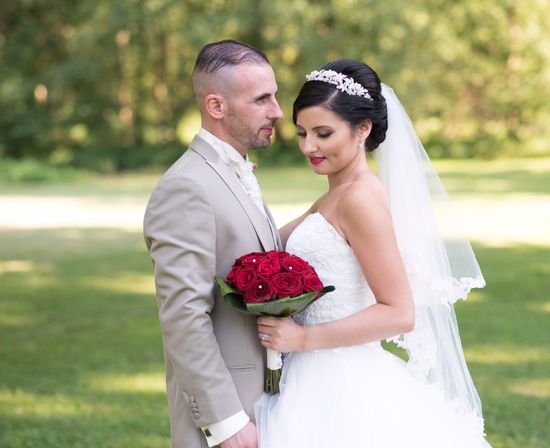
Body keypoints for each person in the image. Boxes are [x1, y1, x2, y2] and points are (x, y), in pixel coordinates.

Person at [254, 60, 492, 447]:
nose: (308, 146)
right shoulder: (336, 194)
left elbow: (399, 312)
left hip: (338, 381)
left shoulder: (359, 198)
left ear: (362, 129)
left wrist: (302, 339)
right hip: (312, 374)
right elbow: (270, 248)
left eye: (323, 133)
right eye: (301, 133)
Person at [143, 40, 283, 448]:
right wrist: (225, 423)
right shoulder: (186, 186)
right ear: (216, 106)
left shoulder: (233, 171)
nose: (276, 110)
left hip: (266, 401)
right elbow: (183, 316)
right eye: (262, 99)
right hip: (230, 416)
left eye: (274, 96)